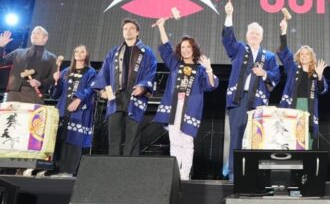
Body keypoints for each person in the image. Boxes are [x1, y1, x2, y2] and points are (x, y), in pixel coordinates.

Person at [154, 17, 218, 180]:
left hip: (190, 109)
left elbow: (211, 85)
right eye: (182, 47)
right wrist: (161, 27)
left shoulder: (200, 69)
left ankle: (185, 175)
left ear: (193, 49)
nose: (185, 50)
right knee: (175, 142)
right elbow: (166, 47)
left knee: (187, 142)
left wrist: (209, 70)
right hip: (174, 107)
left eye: (188, 47)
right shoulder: (175, 64)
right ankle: (176, 175)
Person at [222, 2, 280, 178]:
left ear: (261, 37)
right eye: (251, 33)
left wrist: (264, 73)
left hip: (258, 102)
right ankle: (233, 173)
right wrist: (229, 15)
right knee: (236, 136)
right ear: (246, 36)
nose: (254, 36)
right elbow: (228, 40)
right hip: (238, 99)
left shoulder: (268, 56)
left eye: (257, 34)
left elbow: (276, 75)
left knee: (257, 137)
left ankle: (254, 175)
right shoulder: (239, 49)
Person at [91, 19, 158, 156]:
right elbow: (104, 72)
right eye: (125, 28)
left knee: (133, 134)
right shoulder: (114, 52)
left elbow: (150, 72)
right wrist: (102, 90)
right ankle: (114, 164)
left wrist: (143, 87)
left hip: (135, 95)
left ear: (137, 32)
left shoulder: (147, 52)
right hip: (116, 96)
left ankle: (130, 166)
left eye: (131, 28)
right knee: (114, 131)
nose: (128, 31)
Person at [277, 16, 328, 150]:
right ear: (298, 57)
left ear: (311, 57)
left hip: (308, 106)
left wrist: (320, 77)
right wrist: (283, 31)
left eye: (307, 54)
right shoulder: (293, 68)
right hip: (293, 104)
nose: (304, 56)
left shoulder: (316, 72)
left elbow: (322, 90)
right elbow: (284, 52)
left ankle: (306, 161)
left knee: (307, 137)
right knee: (291, 136)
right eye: (302, 54)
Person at [50, 45, 98, 176]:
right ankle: (57, 169)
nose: (79, 53)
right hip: (62, 109)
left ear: (86, 55)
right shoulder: (65, 71)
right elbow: (55, 94)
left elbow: (91, 89)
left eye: (82, 51)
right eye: (76, 51)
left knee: (74, 140)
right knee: (59, 139)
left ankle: (70, 170)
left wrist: (78, 99)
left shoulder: (91, 72)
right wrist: (56, 82)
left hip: (80, 111)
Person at [0, 26, 58, 104]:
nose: (34, 35)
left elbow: (52, 78)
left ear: (45, 38)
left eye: (38, 33)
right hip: (14, 93)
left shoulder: (51, 58)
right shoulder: (18, 52)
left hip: (34, 94)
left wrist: (40, 83)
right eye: (33, 33)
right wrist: (0, 47)